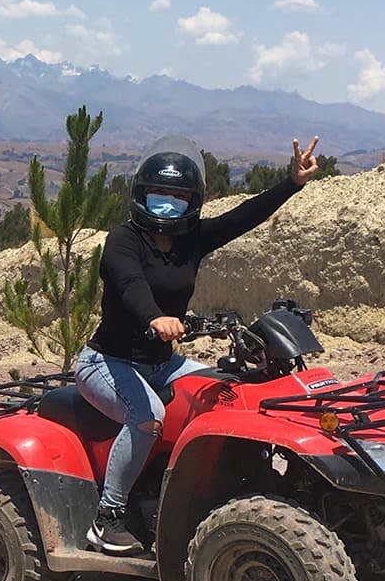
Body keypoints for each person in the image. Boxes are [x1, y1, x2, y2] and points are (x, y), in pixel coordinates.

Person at [76, 134, 322, 553]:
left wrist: (292, 183)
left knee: (227, 393)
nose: (168, 202)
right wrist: (154, 317)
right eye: (159, 193)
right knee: (147, 416)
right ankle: (108, 517)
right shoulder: (123, 240)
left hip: (162, 364)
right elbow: (130, 283)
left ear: (193, 201)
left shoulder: (191, 240)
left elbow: (243, 217)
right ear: (141, 193)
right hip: (107, 361)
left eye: (178, 195)